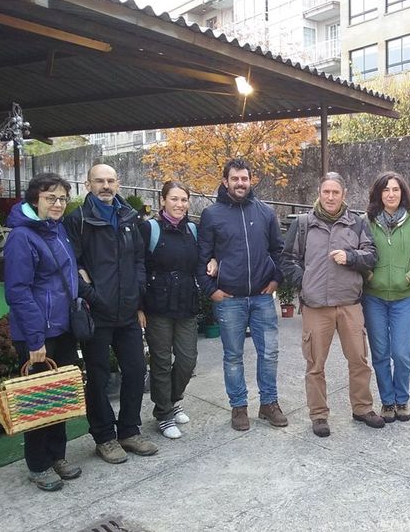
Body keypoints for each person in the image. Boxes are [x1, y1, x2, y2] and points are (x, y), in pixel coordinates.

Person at [64, 163, 158, 464]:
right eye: (99, 181)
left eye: (110, 181)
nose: (106, 186)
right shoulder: (77, 220)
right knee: (99, 376)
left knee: (135, 370)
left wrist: (138, 289)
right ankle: (104, 437)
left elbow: (139, 259)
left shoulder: (129, 217)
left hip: (128, 310)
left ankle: (129, 431)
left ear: (118, 183)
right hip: (97, 313)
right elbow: (72, 266)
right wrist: (93, 296)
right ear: (87, 184)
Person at [281, 172, 383, 437]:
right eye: (326, 192)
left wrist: (350, 257)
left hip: (349, 304)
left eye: (335, 192)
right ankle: (319, 415)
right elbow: (287, 260)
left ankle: (362, 408)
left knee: (359, 360)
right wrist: (305, 283)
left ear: (344, 194)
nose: (330, 197)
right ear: (319, 192)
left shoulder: (357, 223)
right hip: (316, 307)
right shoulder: (303, 224)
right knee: (315, 364)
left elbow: (372, 256)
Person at [3, 173, 82, 491]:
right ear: (34, 200)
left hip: (62, 328)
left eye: (62, 198)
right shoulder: (22, 237)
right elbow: (18, 291)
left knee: (58, 394)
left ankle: (57, 455)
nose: (58, 203)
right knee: (39, 399)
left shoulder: (57, 229)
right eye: (51, 198)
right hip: (37, 334)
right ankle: (38, 464)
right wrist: (35, 339)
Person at [196, 159, 287, 431]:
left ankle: (268, 403)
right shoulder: (212, 215)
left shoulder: (265, 212)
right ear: (225, 181)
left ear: (251, 180)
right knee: (233, 356)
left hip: (261, 298)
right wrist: (212, 291)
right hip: (229, 300)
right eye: (234, 179)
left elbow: (278, 250)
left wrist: (275, 280)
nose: (240, 183)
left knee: (269, 353)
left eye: (244, 179)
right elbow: (201, 258)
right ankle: (239, 406)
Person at [362, 171, 410, 423]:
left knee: (401, 352)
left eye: (396, 189)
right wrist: (369, 276)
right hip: (374, 298)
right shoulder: (365, 220)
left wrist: (409, 277)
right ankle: (387, 402)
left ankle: (402, 399)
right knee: (380, 352)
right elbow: (358, 253)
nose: (391, 194)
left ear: (403, 193)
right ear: (379, 193)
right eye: (386, 189)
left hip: (404, 297)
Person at [138, 181, 199, 439]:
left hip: (186, 305)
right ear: (163, 200)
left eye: (184, 199)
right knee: (162, 362)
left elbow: (204, 258)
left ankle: (173, 400)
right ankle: (163, 414)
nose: (179, 204)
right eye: (174, 199)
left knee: (187, 360)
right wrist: (139, 307)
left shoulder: (193, 230)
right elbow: (137, 266)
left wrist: (214, 263)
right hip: (157, 306)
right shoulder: (149, 228)